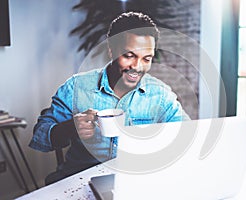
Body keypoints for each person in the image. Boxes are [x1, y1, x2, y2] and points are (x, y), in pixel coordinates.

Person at [29, 11, 190, 184]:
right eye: (129, 56)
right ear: (111, 50)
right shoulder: (77, 87)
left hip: (135, 182)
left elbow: (185, 137)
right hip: (81, 180)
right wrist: (69, 128)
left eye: (146, 59)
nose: (137, 67)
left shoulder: (160, 94)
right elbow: (40, 136)